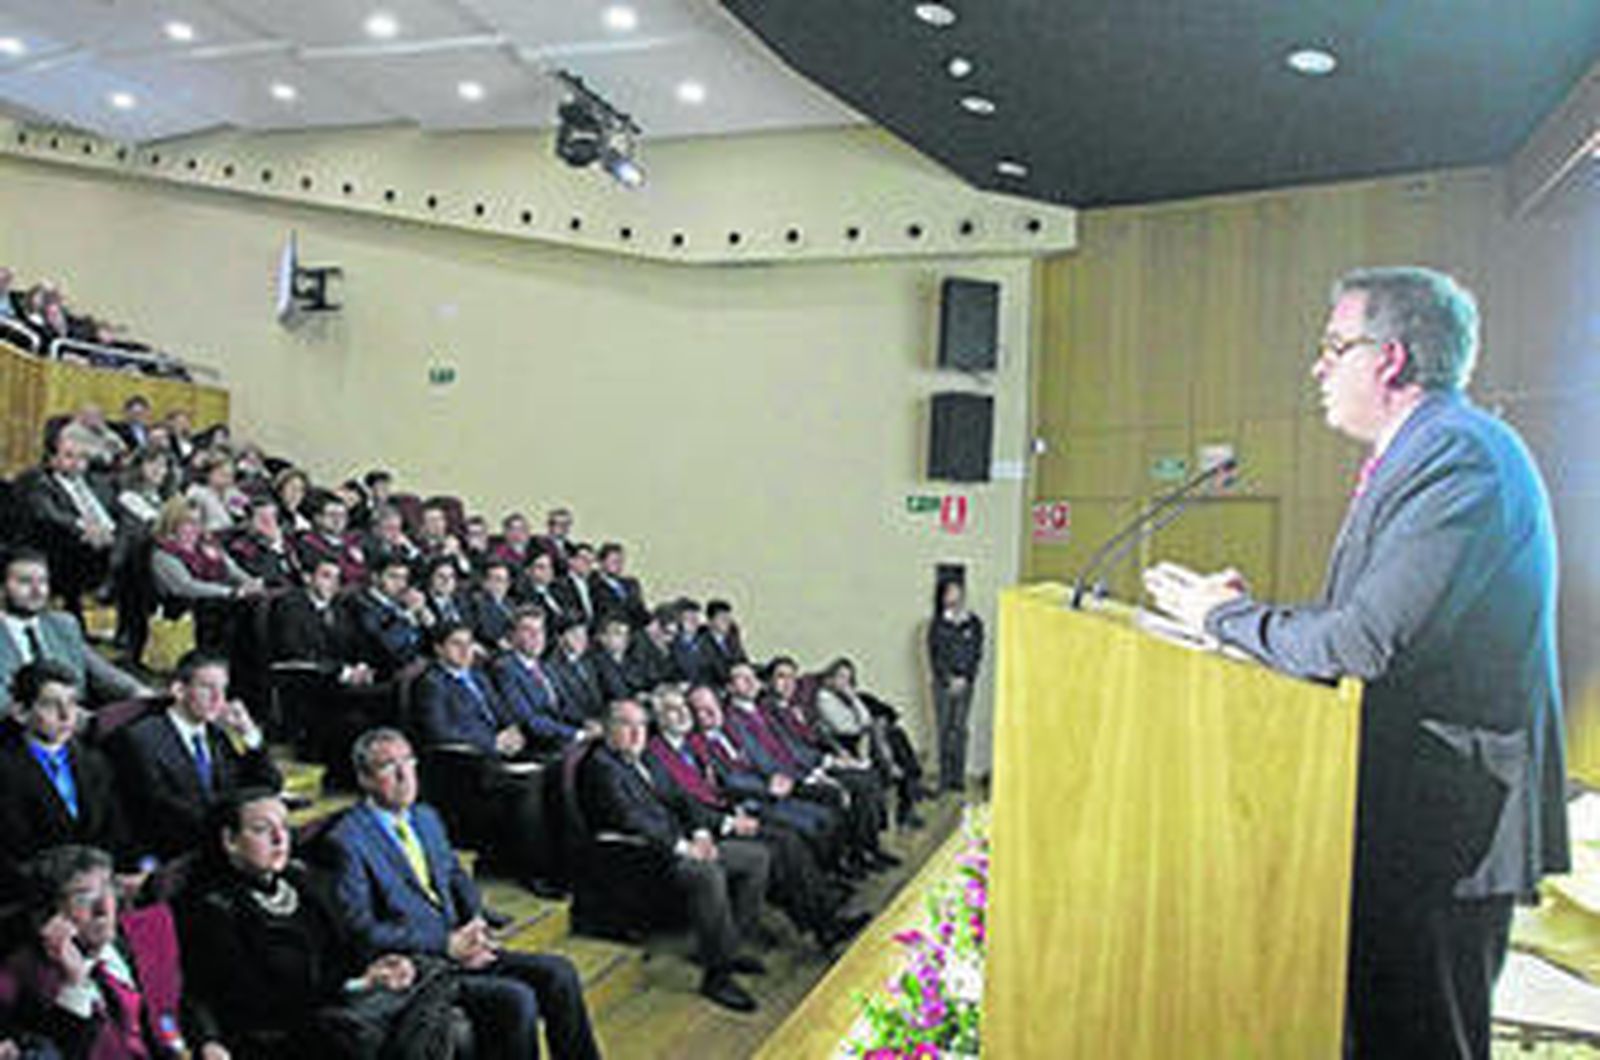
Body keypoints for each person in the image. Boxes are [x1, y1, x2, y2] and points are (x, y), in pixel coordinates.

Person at [1142, 266, 1568, 1060]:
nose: (1317, 367)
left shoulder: (1457, 458)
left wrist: (1226, 618)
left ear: (1392, 359)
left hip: (1442, 829)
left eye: (1334, 346)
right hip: (1411, 821)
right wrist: (1248, 622)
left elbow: (1369, 643)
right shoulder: (1426, 452)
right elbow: (1374, 626)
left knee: (1419, 1043)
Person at [328, 729, 601, 1060]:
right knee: (516, 998)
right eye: (388, 767)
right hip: (420, 967)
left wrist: (474, 923)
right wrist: (445, 944)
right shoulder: (348, 840)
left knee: (560, 972)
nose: (404, 776)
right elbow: (362, 929)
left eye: (408, 762)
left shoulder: (426, 817)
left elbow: (457, 877)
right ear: (365, 779)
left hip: (460, 945)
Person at [177, 789, 465, 1060]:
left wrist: (378, 967)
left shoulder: (303, 880)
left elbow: (349, 942)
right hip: (295, 1028)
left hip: (346, 1002)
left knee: (431, 974)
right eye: (263, 829)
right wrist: (355, 984)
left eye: (284, 826)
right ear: (230, 840)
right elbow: (256, 999)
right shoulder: (213, 907)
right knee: (433, 1002)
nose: (280, 839)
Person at [577, 700, 769, 1013]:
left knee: (756, 857)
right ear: (609, 730)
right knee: (707, 873)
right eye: (627, 725)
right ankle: (717, 976)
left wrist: (701, 833)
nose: (638, 732)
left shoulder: (648, 757)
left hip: (677, 844)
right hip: (640, 857)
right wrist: (684, 847)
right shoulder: (600, 766)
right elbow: (630, 820)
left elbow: (682, 800)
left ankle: (730, 948)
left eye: (641, 724)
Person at [12, 844, 225, 1059]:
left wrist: (208, 1040)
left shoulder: (150, 932)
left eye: (108, 889)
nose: (103, 909)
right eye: (83, 897)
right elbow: (67, 1050)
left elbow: (185, 993)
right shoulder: (23, 976)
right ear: (50, 915)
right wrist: (74, 983)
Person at [116, 652, 282, 859]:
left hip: (222, 844)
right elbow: (161, 811)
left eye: (223, 689)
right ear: (179, 690)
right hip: (175, 852)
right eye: (207, 688)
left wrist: (249, 733)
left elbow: (269, 784)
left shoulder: (216, 735)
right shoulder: (140, 738)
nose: (218, 699)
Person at [0, 663, 139, 901]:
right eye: (51, 704)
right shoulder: (6, 769)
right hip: (35, 899)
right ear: (21, 712)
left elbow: (117, 830)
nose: (66, 715)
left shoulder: (94, 761)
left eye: (72, 703)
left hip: (100, 888)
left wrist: (129, 871)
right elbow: (8, 857)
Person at [0, 549, 150, 713]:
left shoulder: (63, 624)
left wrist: (139, 692)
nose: (38, 591)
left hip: (77, 721)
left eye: (43, 582)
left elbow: (102, 673)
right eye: (25, 582)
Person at [814, 658, 927, 829]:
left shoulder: (846, 697)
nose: (845, 683)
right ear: (829, 678)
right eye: (840, 677)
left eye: (849, 679)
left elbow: (865, 719)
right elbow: (846, 728)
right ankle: (906, 787)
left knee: (896, 734)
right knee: (885, 736)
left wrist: (853, 699)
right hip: (845, 746)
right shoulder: (824, 698)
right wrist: (854, 704)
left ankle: (907, 785)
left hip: (862, 741)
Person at [15, 431, 116, 620]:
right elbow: (49, 515)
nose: (77, 462)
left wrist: (107, 530)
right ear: (53, 459)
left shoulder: (93, 483)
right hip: (55, 546)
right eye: (69, 456)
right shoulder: (40, 482)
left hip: (98, 543)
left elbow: (112, 512)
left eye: (82, 457)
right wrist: (83, 528)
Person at [926, 579, 983, 793]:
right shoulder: (937, 624)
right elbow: (934, 656)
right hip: (943, 685)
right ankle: (944, 777)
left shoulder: (974, 623)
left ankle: (957, 779)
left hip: (965, 684)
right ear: (943, 596)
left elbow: (977, 654)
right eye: (950, 593)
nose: (954, 597)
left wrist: (965, 678)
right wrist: (947, 679)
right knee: (943, 729)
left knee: (959, 730)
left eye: (957, 592)